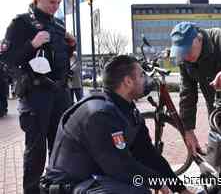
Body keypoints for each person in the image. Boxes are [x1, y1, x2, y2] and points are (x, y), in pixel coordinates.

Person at [42, 55, 193, 194]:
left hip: (91, 180)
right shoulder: (99, 114)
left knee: (139, 184)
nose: (146, 79)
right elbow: (119, 167)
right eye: (141, 75)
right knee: (137, 190)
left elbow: (149, 155)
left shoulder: (127, 110)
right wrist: (157, 182)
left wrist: (180, 189)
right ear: (127, 82)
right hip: (69, 186)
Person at [0, 0, 75, 193]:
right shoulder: (21, 23)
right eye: (51, 1)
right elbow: (6, 59)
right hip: (35, 95)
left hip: (60, 94)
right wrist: (32, 44)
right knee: (36, 151)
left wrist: (71, 46)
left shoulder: (59, 25)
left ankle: (55, 189)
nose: (56, 6)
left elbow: (61, 60)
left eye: (58, 2)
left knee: (61, 149)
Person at [170, 22, 221, 156]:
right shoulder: (184, 59)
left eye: (188, 50)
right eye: (181, 52)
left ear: (199, 38)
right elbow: (187, 94)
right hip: (216, 111)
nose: (185, 56)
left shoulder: (220, 38)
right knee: (218, 159)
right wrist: (188, 130)